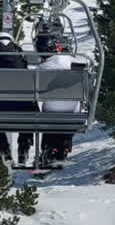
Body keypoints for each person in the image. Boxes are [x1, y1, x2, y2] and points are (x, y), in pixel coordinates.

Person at [0, 32, 37, 164]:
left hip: (0, 108)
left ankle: (4, 149)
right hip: (24, 108)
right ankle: (23, 147)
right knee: (29, 113)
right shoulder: (20, 58)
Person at [33, 33, 80, 163]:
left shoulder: (42, 68)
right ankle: (64, 146)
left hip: (50, 112)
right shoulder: (71, 61)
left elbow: (35, 91)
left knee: (50, 112)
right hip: (72, 111)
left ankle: (49, 148)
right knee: (66, 111)